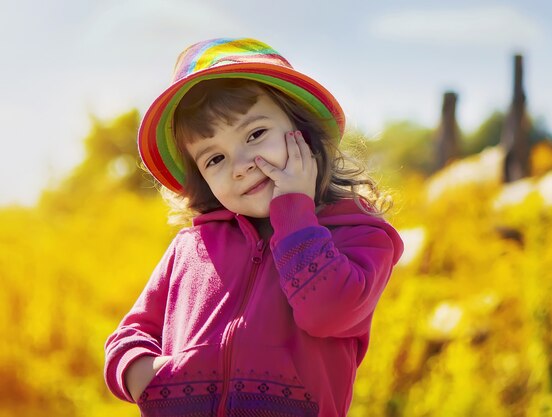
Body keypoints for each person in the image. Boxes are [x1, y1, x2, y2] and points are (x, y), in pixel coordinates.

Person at [104, 37, 403, 417]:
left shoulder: (358, 233)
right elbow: (130, 335)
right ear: (201, 178)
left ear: (303, 131)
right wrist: (147, 375)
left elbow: (327, 312)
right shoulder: (191, 247)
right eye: (214, 158)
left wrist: (293, 209)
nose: (240, 165)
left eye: (255, 134)